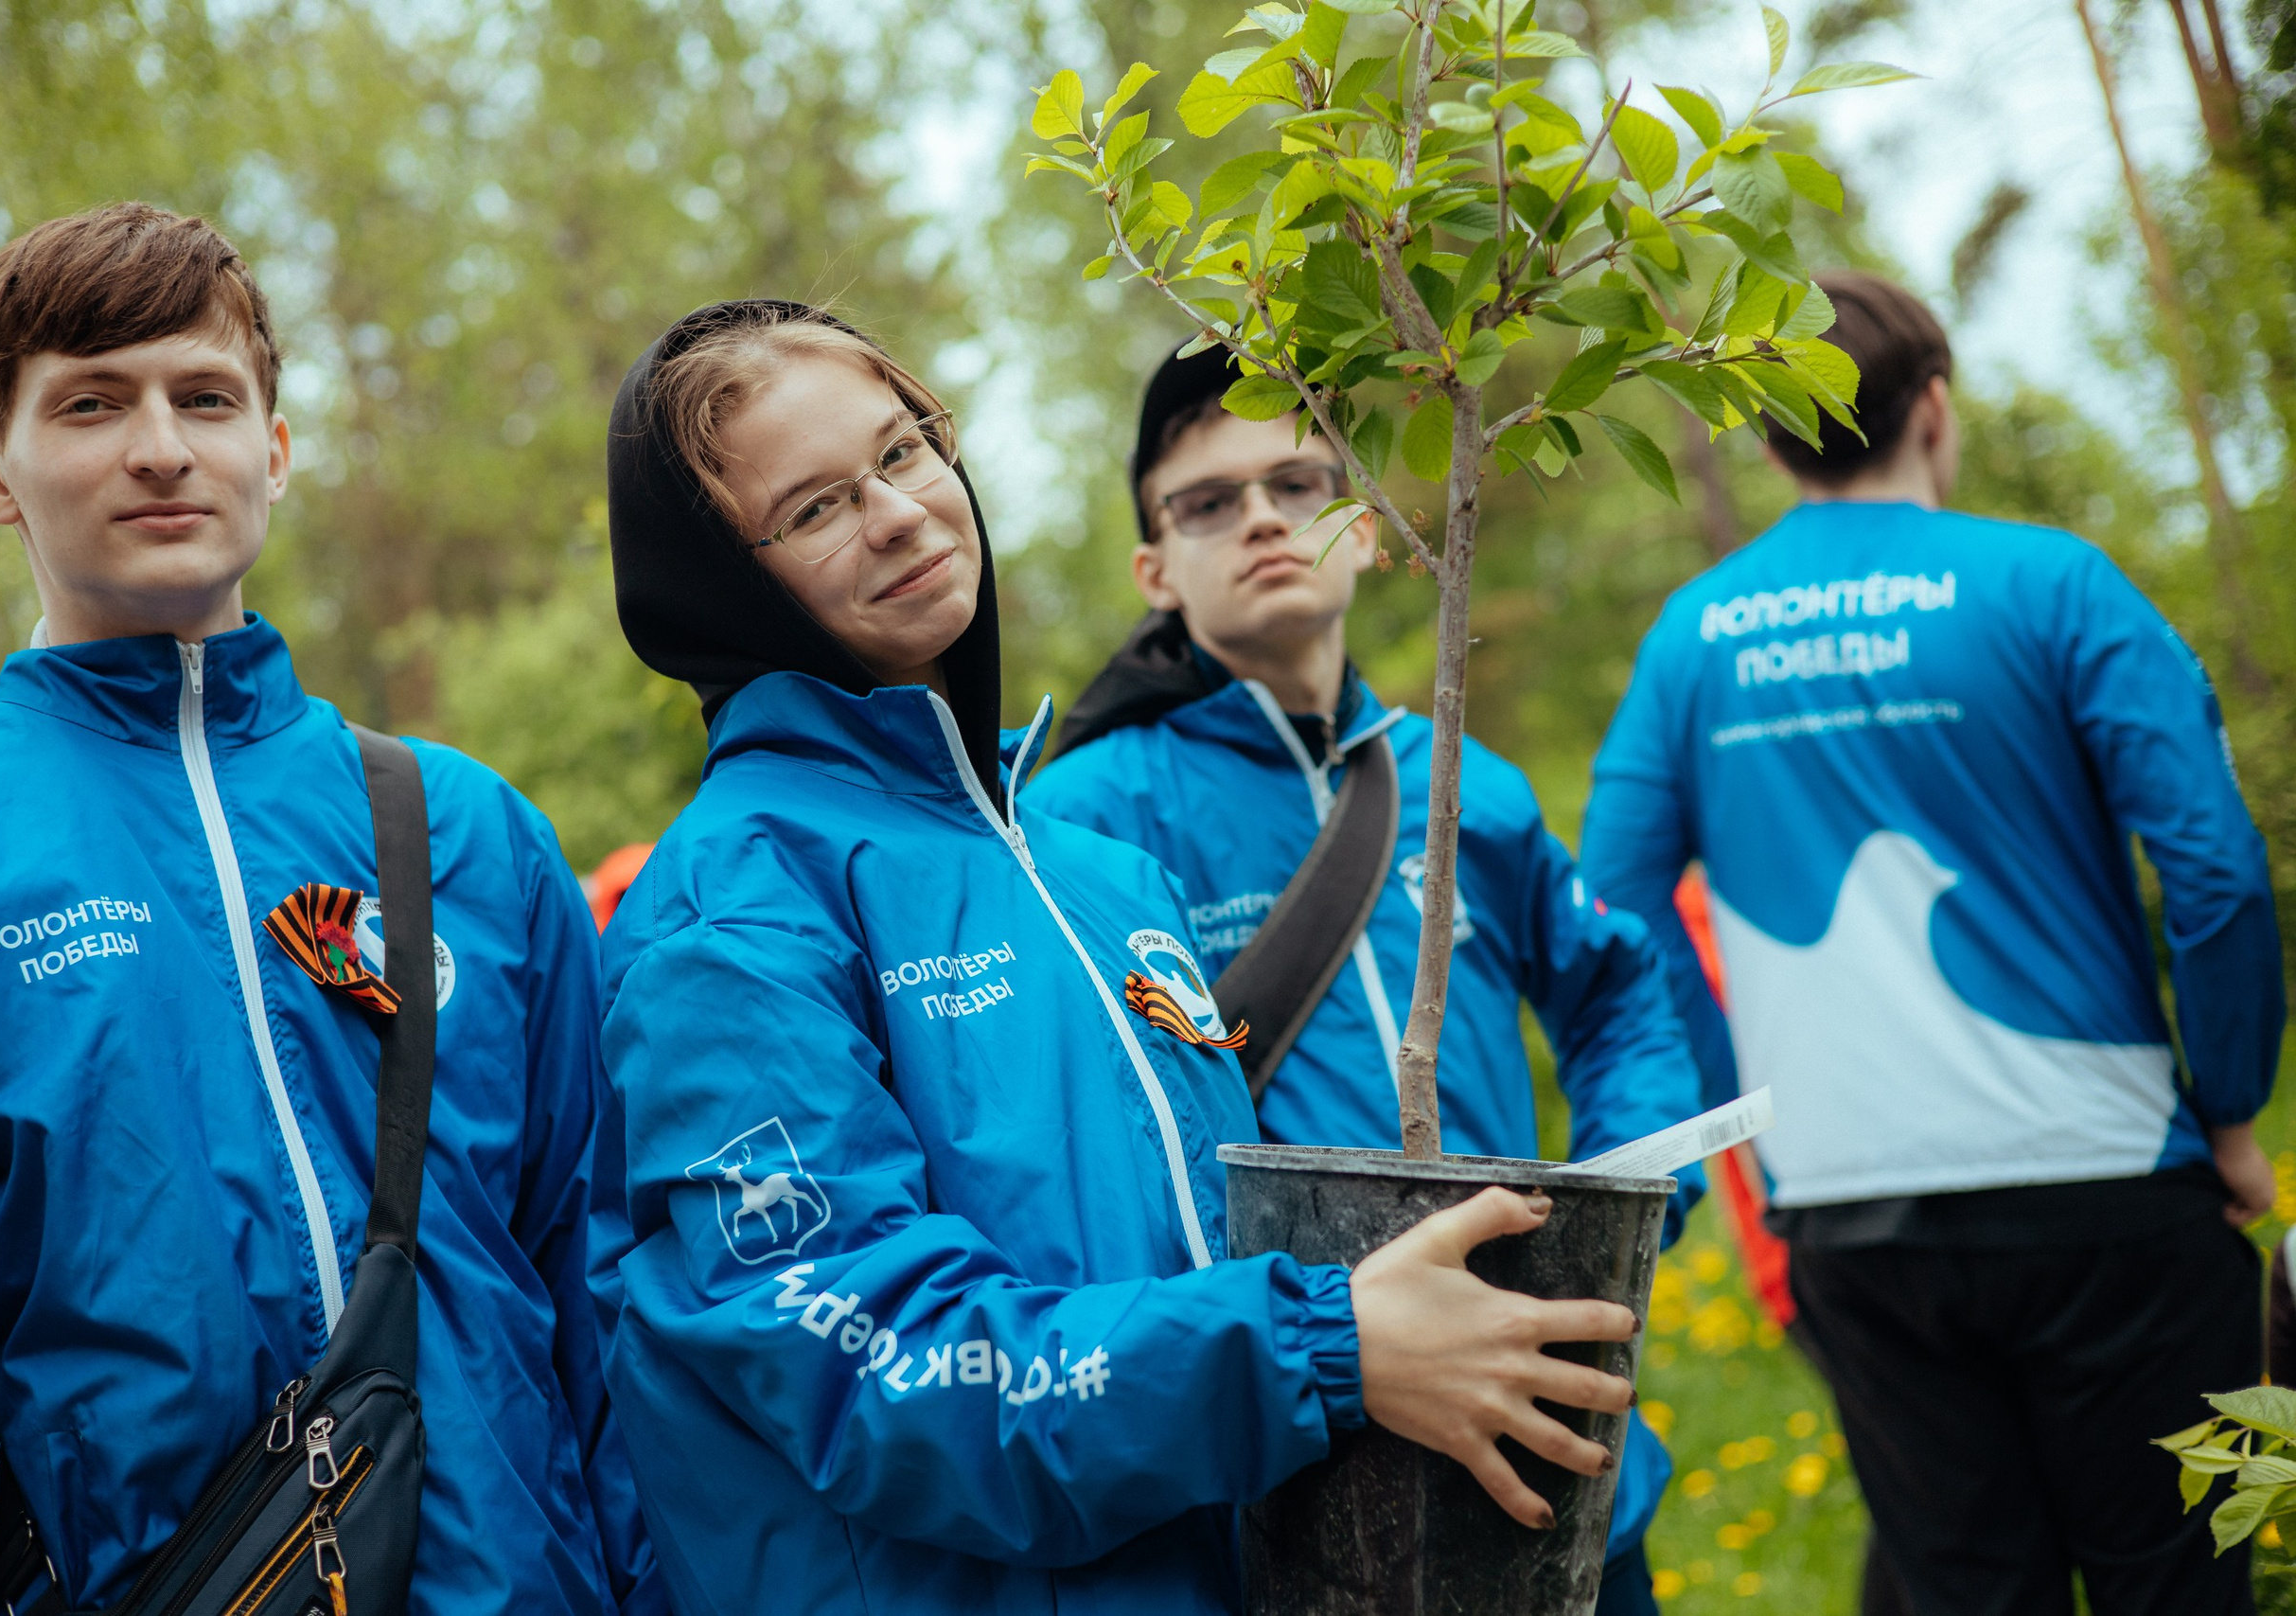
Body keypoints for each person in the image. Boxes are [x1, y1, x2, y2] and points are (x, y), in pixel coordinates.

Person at [596, 298, 1642, 1613]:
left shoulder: (1096, 874)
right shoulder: (731, 914)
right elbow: (878, 1369)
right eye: (814, 509)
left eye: (904, 450)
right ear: (718, 585)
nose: (901, 514)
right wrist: (1325, 1346)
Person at [0, 203, 665, 1614]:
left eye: (206, 397)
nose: (161, 447)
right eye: (92, 403)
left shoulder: (468, 829)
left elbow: (598, 1274)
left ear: (276, 449)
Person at [1580, 269, 2282, 1616]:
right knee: (2177, 1591)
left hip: (1852, 1218)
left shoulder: (1692, 640)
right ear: (1937, 408)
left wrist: (1745, 1110)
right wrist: (2232, 1106)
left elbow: (1612, 905)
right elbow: (2214, 867)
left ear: (1773, 443)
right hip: (2109, 1186)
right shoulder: (2054, 583)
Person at [1020, 343, 1705, 1614]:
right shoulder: (1080, 823)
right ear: (1154, 567)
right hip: (1306, 1470)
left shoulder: (1467, 787)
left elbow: (1616, 995)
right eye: (1208, 501)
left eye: (1296, 484)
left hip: (1556, 1442)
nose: (1261, 519)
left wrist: (1622, 1211)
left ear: (1368, 527)